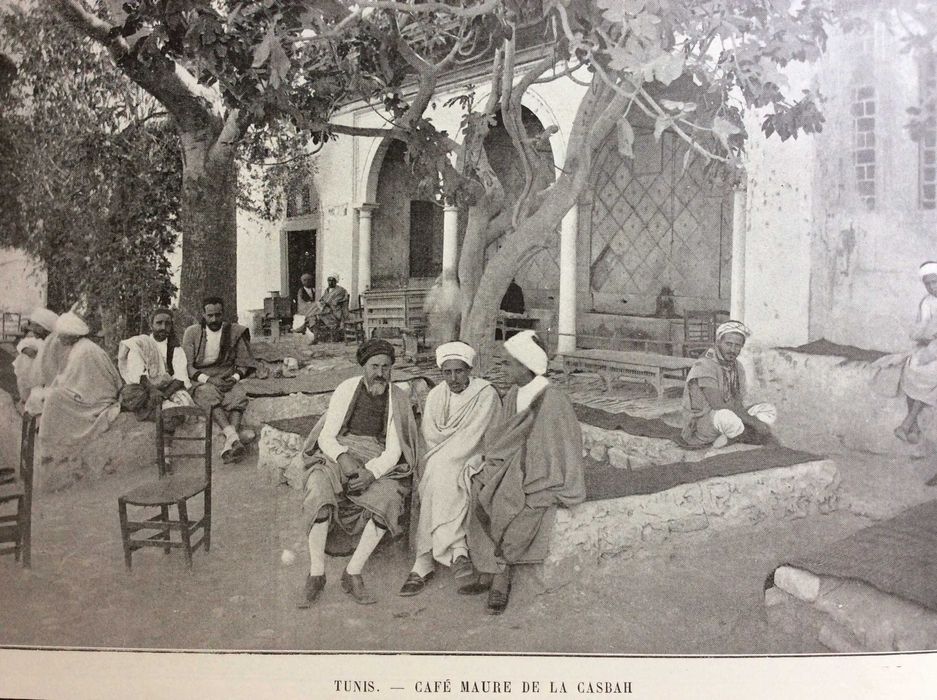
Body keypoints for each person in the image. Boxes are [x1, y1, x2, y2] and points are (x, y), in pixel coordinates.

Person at [461, 330, 585, 615]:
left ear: (526, 365)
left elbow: (559, 450)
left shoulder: (553, 399)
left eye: (508, 363)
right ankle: (487, 566)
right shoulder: (514, 393)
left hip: (542, 471)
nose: (504, 369)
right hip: (512, 463)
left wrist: (521, 471)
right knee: (479, 485)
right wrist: (494, 460)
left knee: (513, 500)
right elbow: (502, 437)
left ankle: (502, 574)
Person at [297, 338, 421, 608]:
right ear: (363, 366)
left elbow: (394, 450)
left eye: (386, 367)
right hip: (340, 451)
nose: (380, 373)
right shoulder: (346, 388)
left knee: (389, 497)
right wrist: (343, 458)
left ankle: (352, 572)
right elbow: (327, 436)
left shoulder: (398, 398)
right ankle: (316, 573)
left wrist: (371, 473)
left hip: (378, 458)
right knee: (318, 486)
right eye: (374, 366)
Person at [398, 341, 501, 597]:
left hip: (476, 455)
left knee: (439, 472)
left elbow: (476, 435)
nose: (453, 378)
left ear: (469, 370)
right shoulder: (436, 395)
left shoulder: (485, 393)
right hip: (441, 456)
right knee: (439, 472)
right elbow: (431, 434)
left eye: (459, 371)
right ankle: (457, 551)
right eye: (447, 372)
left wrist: (450, 456)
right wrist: (446, 455)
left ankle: (424, 562)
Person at [679, 320, 778, 449]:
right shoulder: (705, 364)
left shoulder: (737, 366)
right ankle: (746, 435)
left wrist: (748, 418)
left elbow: (738, 400)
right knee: (726, 416)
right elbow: (718, 405)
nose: (732, 350)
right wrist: (754, 422)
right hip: (703, 423)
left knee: (768, 409)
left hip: (729, 413)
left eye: (737, 346)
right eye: (728, 344)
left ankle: (734, 435)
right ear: (718, 342)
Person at [182, 296, 257, 463]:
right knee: (206, 394)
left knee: (238, 395)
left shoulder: (234, 332)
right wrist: (208, 380)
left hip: (226, 375)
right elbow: (188, 366)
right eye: (210, 315)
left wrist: (234, 378)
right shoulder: (192, 333)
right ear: (203, 315)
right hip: (202, 378)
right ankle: (234, 438)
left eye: (218, 315)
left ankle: (230, 445)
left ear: (223, 314)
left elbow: (244, 363)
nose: (214, 319)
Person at [37, 310, 122, 456]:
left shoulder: (85, 350)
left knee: (53, 399)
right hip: (88, 391)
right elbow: (73, 377)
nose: (59, 338)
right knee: (51, 394)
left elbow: (79, 382)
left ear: (72, 335)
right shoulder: (79, 347)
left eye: (62, 334)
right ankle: (52, 442)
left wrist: (57, 388)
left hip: (96, 398)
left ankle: (52, 446)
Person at [874, 262, 937, 444]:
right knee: (912, 367)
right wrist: (925, 335)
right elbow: (921, 328)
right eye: (927, 284)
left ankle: (907, 423)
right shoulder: (927, 302)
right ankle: (913, 428)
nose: (932, 287)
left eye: (935, 282)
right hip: (932, 346)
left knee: (930, 372)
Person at [117, 307, 194, 419]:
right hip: (144, 388)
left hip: (167, 391)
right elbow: (137, 373)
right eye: (159, 323)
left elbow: (180, 379)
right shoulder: (141, 344)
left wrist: (163, 396)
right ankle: (156, 412)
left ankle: (156, 411)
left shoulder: (176, 349)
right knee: (131, 395)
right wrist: (152, 391)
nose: (163, 327)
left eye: (167, 324)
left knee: (183, 404)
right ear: (151, 325)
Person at [13, 307, 59, 406]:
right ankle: (26, 400)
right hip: (31, 376)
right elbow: (23, 343)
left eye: (36, 327)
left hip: (45, 382)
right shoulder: (38, 340)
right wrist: (24, 349)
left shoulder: (53, 343)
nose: (33, 330)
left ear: (44, 328)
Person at [313, 274, 349, 341]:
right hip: (328, 310)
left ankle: (334, 328)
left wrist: (325, 303)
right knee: (314, 314)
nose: (330, 282)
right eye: (329, 280)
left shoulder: (340, 290)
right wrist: (321, 302)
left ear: (336, 281)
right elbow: (322, 299)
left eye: (333, 280)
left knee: (319, 314)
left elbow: (335, 302)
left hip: (337, 311)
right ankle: (316, 337)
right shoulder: (327, 290)